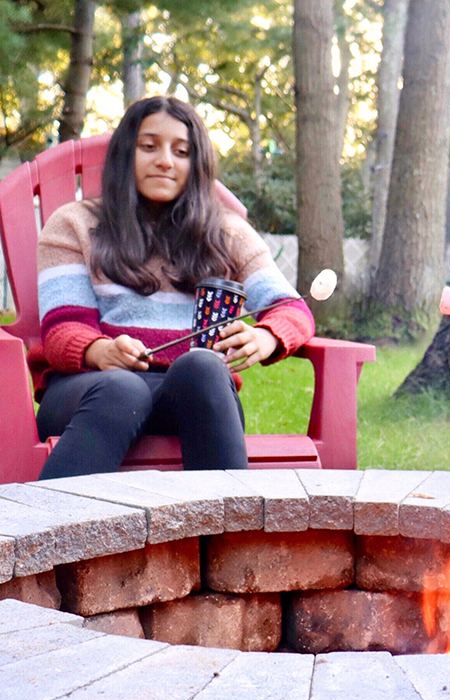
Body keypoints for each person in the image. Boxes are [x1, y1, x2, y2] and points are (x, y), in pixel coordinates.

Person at [33, 96, 314, 480]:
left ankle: (225, 518)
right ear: (125, 154)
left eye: (181, 152)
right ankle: (49, 518)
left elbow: (292, 308)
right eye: (149, 147)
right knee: (123, 388)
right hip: (89, 393)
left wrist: (267, 337)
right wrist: (101, 350)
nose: (165, 161)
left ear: (196, 164)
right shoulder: (74, 225)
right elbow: (62, 330)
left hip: (188, 397)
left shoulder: (226, 233)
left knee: (202, 366)